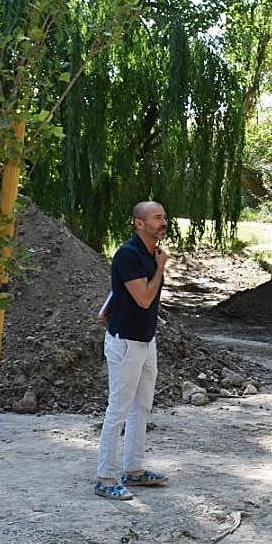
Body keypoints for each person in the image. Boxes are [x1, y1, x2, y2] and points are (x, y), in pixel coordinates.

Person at [94, 201, 171, 500]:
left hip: (145, 339)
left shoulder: (150, 253)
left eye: (164, 216)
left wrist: (107, 310)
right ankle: (105, 476)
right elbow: (143, 299)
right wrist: (161, 267)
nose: (163, 222)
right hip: (126, 341)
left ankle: (134, 469)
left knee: (142, 406)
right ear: (140, 223)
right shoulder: (129, 254)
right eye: (156, 218)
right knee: (118, 409)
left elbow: (118, 292)